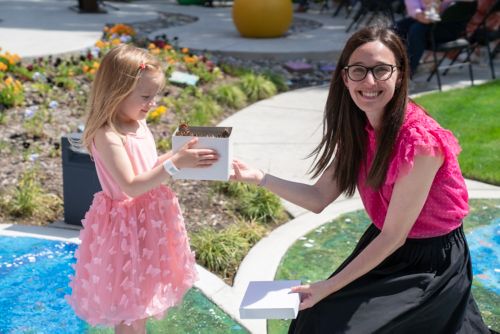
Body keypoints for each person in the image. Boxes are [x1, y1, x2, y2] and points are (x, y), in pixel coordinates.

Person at [231, 25, 493, 333]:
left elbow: (395, 236)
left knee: (332, 320)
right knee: (315, 315)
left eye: (381, 70)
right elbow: (318, 198)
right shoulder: (360, 129)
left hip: (431, 264)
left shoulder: (420, 142)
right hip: (386, 247)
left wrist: (326, 286)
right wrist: (259, 177)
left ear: (400, 74)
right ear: (345, 77)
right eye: (359, 70)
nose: (369, 81)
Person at [65, 44, 219, 333]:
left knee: (143, 298)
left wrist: (177, 157)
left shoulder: (138, 122)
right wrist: (174, 165)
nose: (152, 103)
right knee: (128, 306)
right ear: (117, 92)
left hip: (150, 221)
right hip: (125, 228)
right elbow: (132, 186)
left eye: (155, 95)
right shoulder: (107, 134)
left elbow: (146, 168)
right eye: (145, 96)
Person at [395, 0, 472, 76]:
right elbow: (424, 18)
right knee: (396, 29)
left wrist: (437, 3)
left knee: (416, 30)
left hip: (447, 30)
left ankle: (408, 72)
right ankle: (396, 66)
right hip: (428, 24)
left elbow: (470, 2)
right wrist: (433, 5)